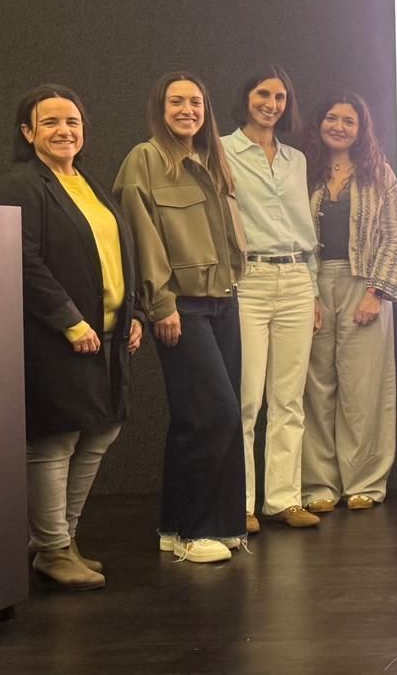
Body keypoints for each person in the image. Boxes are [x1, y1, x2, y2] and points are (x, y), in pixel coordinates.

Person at [0, 85, 141, 590]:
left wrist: (134, 313)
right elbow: (22, 259)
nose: (64, 131)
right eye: (51, 122)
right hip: (56, 336)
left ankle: (61, 539)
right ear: (28, 132)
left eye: (72, 122)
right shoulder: (22, 185)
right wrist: (68, 320)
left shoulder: (89, 183)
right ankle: (53, 549)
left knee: (103, 429)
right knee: (55, 438)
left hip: (109, 333)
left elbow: (118, 253)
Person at [114, 72, 247, 563]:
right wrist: (161, 303)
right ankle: (196, 533)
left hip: (224, 301)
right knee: (214, 414)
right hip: (182, 306)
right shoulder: (145, 159)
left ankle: (179, 528)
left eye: (195, 102)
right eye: (176, 101)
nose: (187, 110)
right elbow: (141, 237)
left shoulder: (212, 159)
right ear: (160, 108)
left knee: (201, 417)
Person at [223, 66, 321, 532]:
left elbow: (305, 225)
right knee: (246, 400)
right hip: (250, 278)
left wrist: (314, 289)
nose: (272, 104)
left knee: (289, 399)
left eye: (280, 97)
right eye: (263, 94)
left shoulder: (295, 159)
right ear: (247, 98)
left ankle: (283, 499)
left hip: (298, 277)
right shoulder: (221, 150)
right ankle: (240, 503)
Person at [301, 93, 397, 513]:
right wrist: (308, 294)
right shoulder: (302, 171)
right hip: (309, 285)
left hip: (365, 285)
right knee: (314, 389)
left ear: (361, 129)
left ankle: (365, 481)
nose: (339, 126)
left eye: (349, 121)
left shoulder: (378, 173)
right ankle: (318, 486)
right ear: (319, 123)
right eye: (332, 118)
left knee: (363, 391)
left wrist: (376, 293)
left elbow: (396, 238)